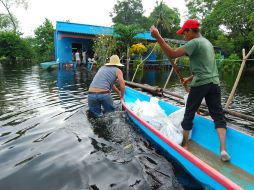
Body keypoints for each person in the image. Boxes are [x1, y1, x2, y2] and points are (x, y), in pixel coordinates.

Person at [150, 19, 230, 161]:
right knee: (218, 115)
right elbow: (206, 67)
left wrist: (157, 36)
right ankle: (223, 150)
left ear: (190, 31)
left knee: (189, 112)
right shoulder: (207, 43)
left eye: (184, 33)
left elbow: (173, 53)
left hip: (201, 84)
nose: (184, 36)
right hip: (214, 83)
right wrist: (188, 78)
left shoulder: (194, 42)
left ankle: (185, 146)